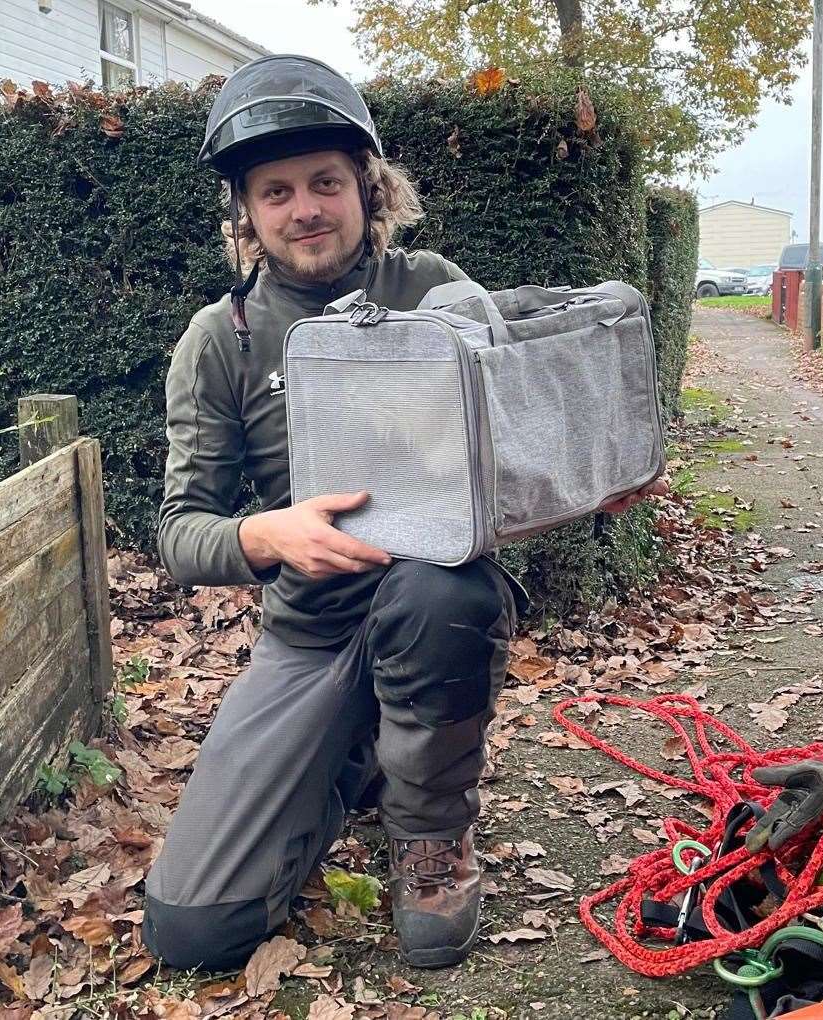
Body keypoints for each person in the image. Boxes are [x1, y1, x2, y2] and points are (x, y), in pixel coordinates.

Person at [141, 53, 667, 973]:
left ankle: (431, 836)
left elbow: (509, 450)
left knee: (440, 594)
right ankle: (360, 763)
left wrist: (591, 478)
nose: (304, 207)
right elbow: (181, 529)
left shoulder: (432, 289)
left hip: (430, 600)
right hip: (306, 633)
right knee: (194, 931)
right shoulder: (216, 340)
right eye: (276, 192)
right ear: (248, 213)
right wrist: (269, 535)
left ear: (367, 188)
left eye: (325, 183)